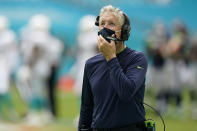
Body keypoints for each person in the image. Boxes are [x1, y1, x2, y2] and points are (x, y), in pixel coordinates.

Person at [78, 5, 148, 131]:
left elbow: (125, 92)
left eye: (111, 24)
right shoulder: (91, 64)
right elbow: (86, 108)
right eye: (102, 23)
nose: (105, 27)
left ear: (124, 30)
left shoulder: (137, 59)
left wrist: (111, 57)